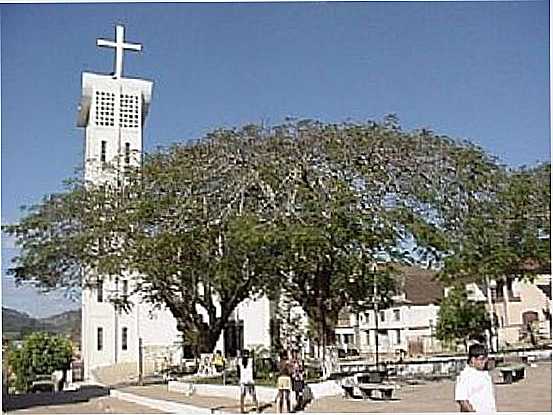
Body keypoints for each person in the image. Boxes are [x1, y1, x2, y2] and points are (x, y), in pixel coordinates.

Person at [455, 343, 496, 413]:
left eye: (485, 359)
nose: (484, 362)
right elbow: (462, 400)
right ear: (473, 359)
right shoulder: (466, 376)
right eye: (481, 359)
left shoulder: (484, 374)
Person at [237, 349, 259, 413]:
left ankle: (242, 409)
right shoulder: (251, 360)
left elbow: (238, 370)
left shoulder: (240, 361)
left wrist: (239, 378)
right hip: (250, 380)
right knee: (253, 394)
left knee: (242, 395)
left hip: (243, 380)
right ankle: (257, 408)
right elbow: (254, 369)